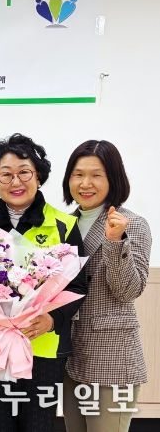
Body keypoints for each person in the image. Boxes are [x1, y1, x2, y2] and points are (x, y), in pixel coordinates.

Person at [0, 133, 88, 431]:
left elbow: (78, 286)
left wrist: (52, 319)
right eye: (6, 174)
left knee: (38, 423)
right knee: (0, 422)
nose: (15, 182)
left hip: (43, 343)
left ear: (39, 176)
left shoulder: (63, 224)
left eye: (24, 173)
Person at [62, 140, 151, 432]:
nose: (85, 183)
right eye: (78, 174)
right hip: (71, 354)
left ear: (113, 178)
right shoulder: (62, 224)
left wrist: (115, 242)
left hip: (111, 357)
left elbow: (128, 291)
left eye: (96, 175)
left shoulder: (133, 224)